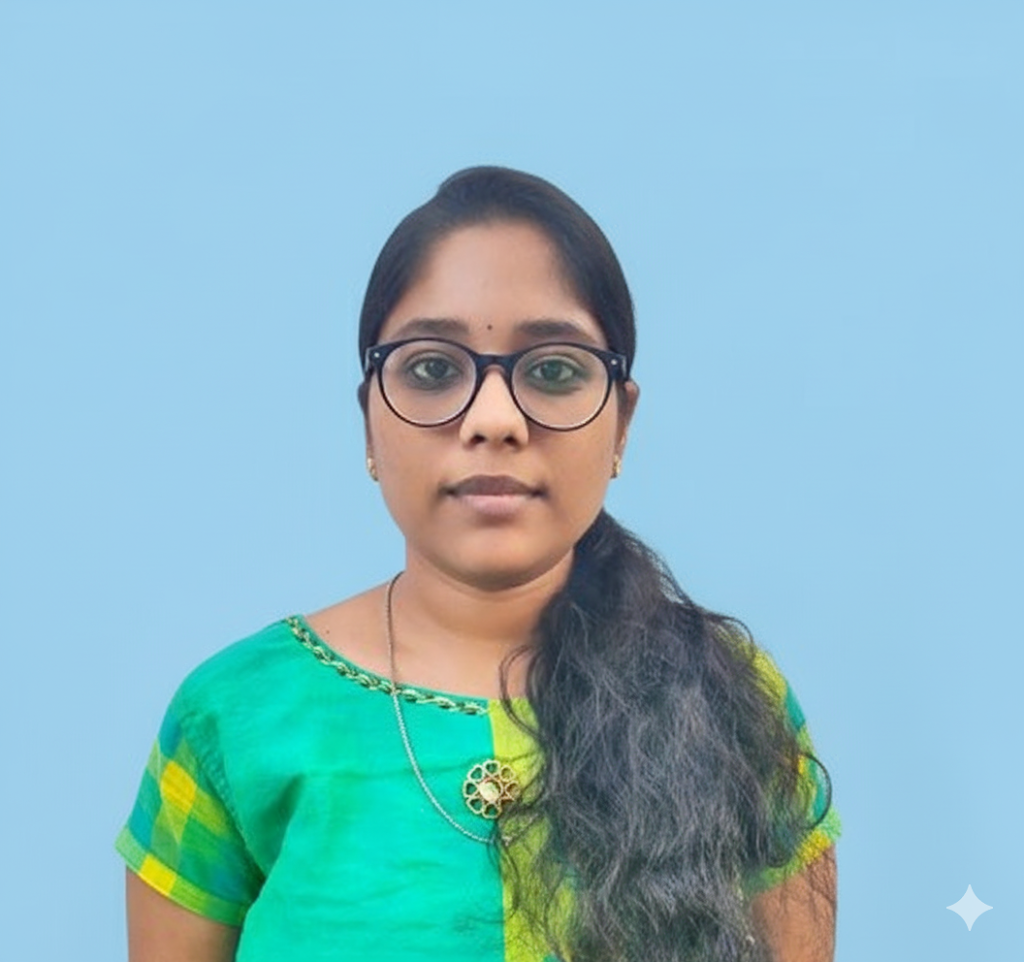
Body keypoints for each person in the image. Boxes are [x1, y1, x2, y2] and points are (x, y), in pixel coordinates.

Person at [118, 166, 841, 962]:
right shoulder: (235, 715)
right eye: (433, 369)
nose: (494, 420)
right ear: (369, 422)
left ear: (621, 424)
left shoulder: (729, 701)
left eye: (554, 370)